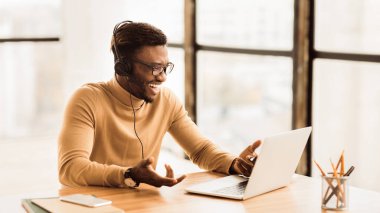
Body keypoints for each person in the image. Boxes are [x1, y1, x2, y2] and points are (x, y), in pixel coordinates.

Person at [58, 20, 261, 188]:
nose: (162, 78)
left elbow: (200, 150)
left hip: (142, 203)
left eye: (165, 68)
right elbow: (71, 168)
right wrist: (129, 174)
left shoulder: (166, 100)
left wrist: (235, 164)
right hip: (94, 205)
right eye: (154, 69)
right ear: (124, 68)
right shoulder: (87, 99)